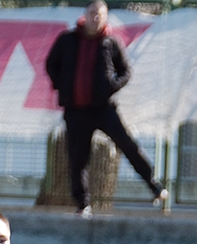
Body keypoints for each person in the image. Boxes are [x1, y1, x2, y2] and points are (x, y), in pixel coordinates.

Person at [44, 0, 166, 218]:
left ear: (106, 17)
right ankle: (83, 204)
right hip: (76, 110)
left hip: (103, 109)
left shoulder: (110, 42)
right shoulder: (67, 40)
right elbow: (51, 64)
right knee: (78, 158)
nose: (96, 18)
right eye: (92, 13)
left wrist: (110, 87)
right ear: (85, 15)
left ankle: (154, 186)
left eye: (100, 14)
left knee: (127, 145)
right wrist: (61, 84)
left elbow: (125, 71)